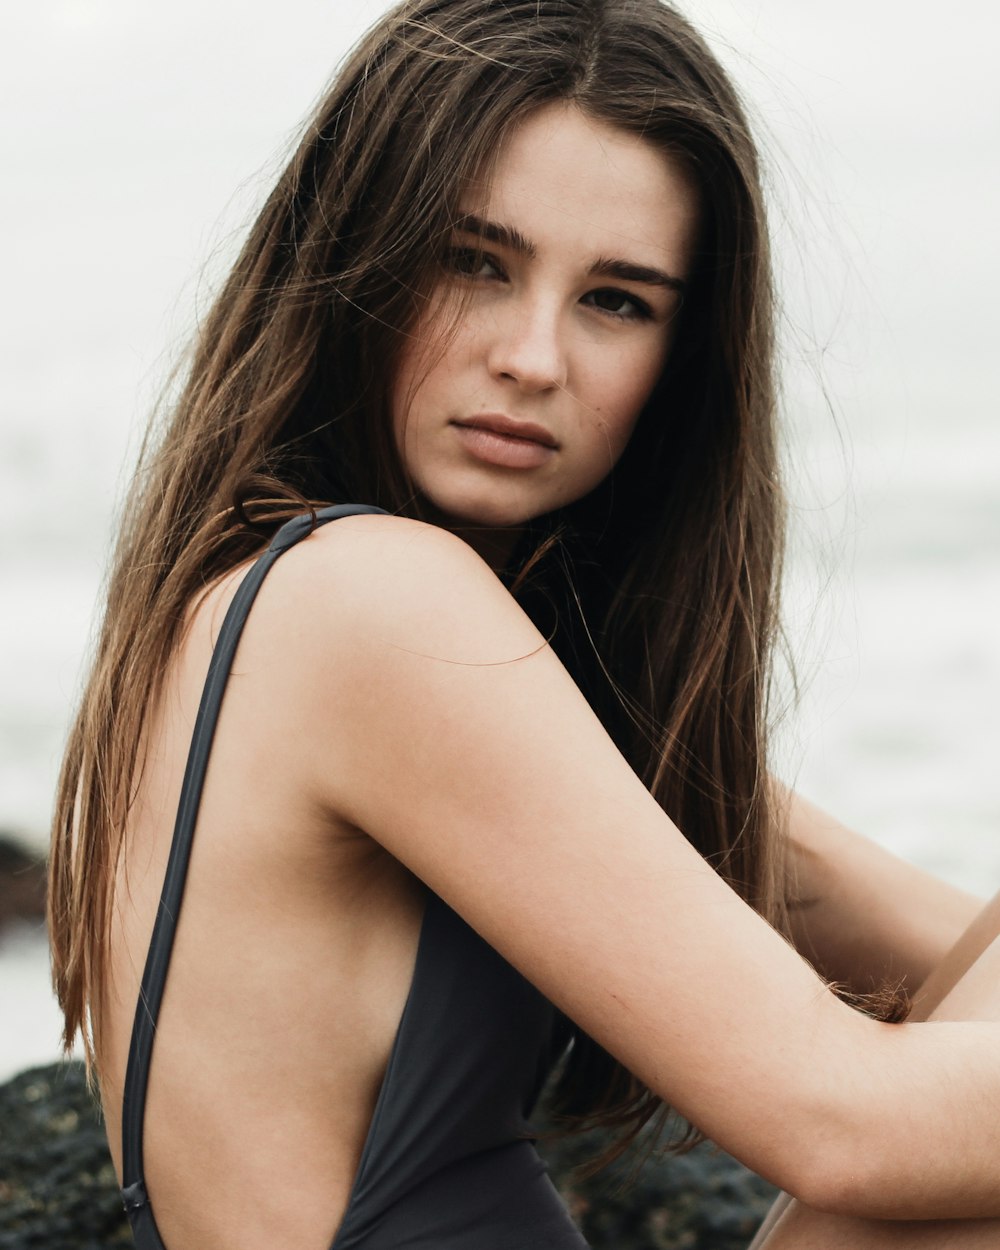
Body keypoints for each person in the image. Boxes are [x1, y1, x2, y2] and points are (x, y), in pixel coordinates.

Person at [46, 1, 1000, 1247]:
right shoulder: (370, 603)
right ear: (354, 260)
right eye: (473, 262)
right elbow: (842, 1121)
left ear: (679, 364)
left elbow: (950, 951)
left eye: (616, 300)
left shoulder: (344, 617)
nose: (534, 357)